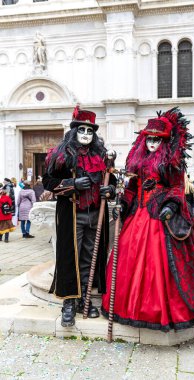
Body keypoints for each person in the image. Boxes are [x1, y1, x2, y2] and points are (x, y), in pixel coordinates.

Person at [102, 107, 194, 332]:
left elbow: (177, 188)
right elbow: (131, 188)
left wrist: (171, 204)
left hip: (161, 215)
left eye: (157, 140)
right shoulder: (138, 164)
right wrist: (122, 204)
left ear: (165, 141)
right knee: (128, 259)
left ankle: (169, 311)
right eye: (149, 139)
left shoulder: (172, 163)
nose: (152, 144)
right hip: (137, 217)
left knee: (165, 264)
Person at [43, 105, 116, 327]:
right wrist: (71, 183)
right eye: (81, 131)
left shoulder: (101, 156)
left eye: (90, 131)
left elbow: (111, 182)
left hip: (96, 215)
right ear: (74, 132)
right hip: (71, 214)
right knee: (69, 257)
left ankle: (85, 297)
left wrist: (110, 190)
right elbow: (48, 183)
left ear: (94, 135)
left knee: (89, 257)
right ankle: (69, 302)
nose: (85, 135)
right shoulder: (61, 156)